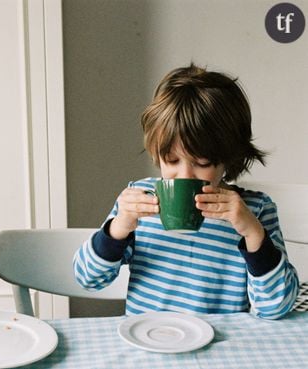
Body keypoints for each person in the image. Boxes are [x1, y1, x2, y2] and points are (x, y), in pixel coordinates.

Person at [73, 64, 299, 319]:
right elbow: (87, 278)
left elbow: (276, 308)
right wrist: (119, 227)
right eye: (171, 160)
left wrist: (252, 232)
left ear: (228, 157)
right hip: (150, 342)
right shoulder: (139, 200)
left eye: (201, 163)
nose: (185, 175)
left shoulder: (255, 211)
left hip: (222, 348)